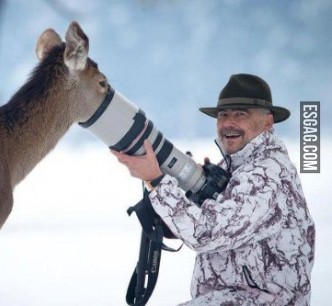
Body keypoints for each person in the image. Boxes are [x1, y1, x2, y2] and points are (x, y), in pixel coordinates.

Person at [112, 74, 315, 305]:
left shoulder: (266, 175)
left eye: (241, 114)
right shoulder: (239, 168)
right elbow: (216, 223)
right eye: (223, 115)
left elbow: (206, 233)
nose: (229, 122)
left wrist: (156, 181)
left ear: (268, 122)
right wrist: (192, 193)